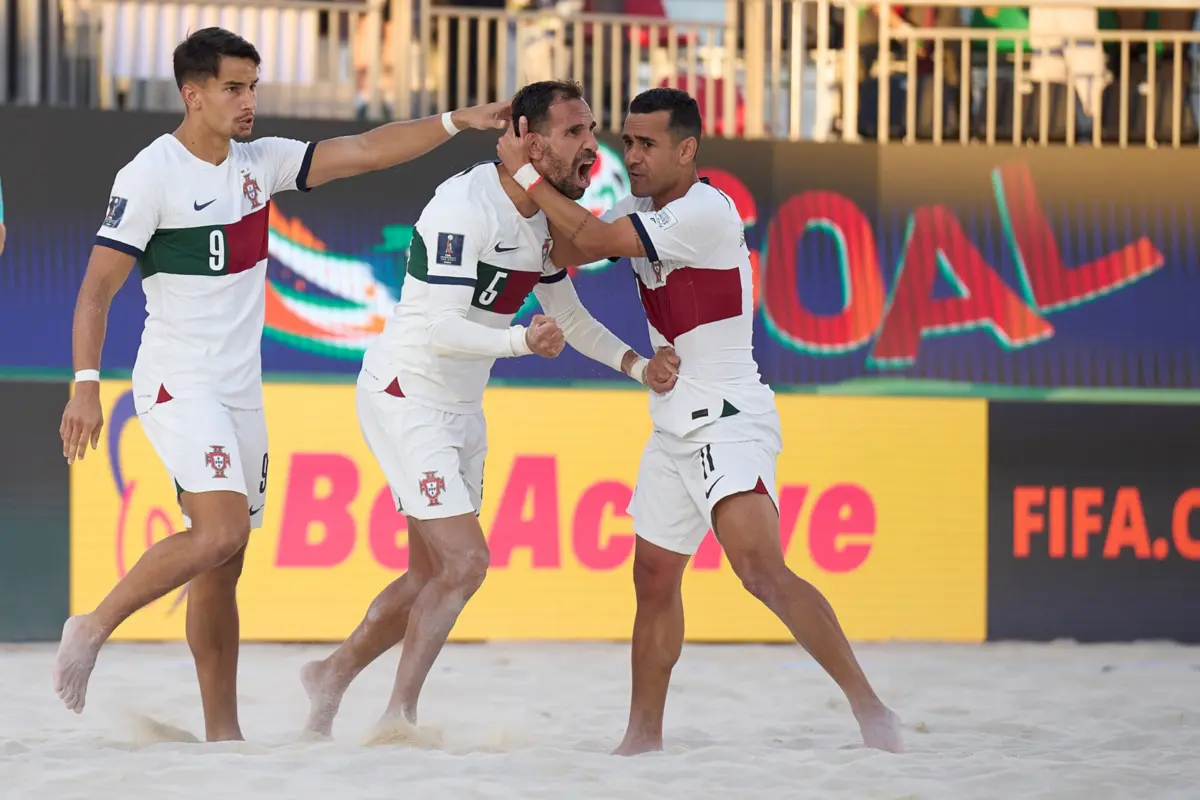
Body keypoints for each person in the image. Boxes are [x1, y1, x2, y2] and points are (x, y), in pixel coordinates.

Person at [53, 26, 514, 742]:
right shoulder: (150, 175)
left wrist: (458, 121)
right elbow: (94, 292)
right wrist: (86, 384)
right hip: (178, 380)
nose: (248, 102)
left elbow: (366, 149)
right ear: (193, 94)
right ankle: (93, 625)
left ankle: (223, 735)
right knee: (220, 529)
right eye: (234, 88)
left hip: (239, 390)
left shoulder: (259, 163)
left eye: (253, 87)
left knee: (223, 563)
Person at [495, 87, 905, 755]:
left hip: (728, 417)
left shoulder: (706, 210)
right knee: (653, 582)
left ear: (687, 150)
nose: (632, 155)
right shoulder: (638, 207)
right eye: (626, 142)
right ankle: (641, 739)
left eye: (647, 144)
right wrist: (531, 213)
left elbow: (590, 238)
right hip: (674, 424)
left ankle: (871, 709)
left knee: (761, 571)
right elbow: (567, 252)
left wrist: (523, 173)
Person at [299, 80, 679, 740]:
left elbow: (571, 319)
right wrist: (520, 341)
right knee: (467, 563)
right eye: (574, 133)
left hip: (460, 407)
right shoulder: (464, 205)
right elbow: (442, 329)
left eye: (592, 130)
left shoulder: (543, 213)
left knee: (429, 574)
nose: (593, 145)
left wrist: (638, 368)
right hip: (405, 391)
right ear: (529, 139)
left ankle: (332, 673)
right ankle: (399, 717)